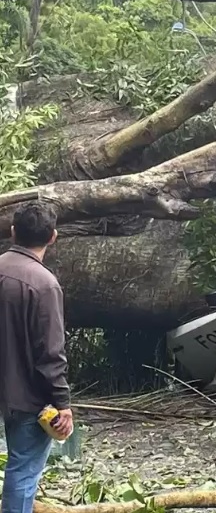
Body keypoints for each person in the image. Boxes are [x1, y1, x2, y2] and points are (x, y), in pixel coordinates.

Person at [0, 201, 72, 513]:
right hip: (26, 397)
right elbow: (51, 353)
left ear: (13, 231)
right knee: (23, 472)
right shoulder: (45, 285)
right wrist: (62, 403)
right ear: (53, 237)